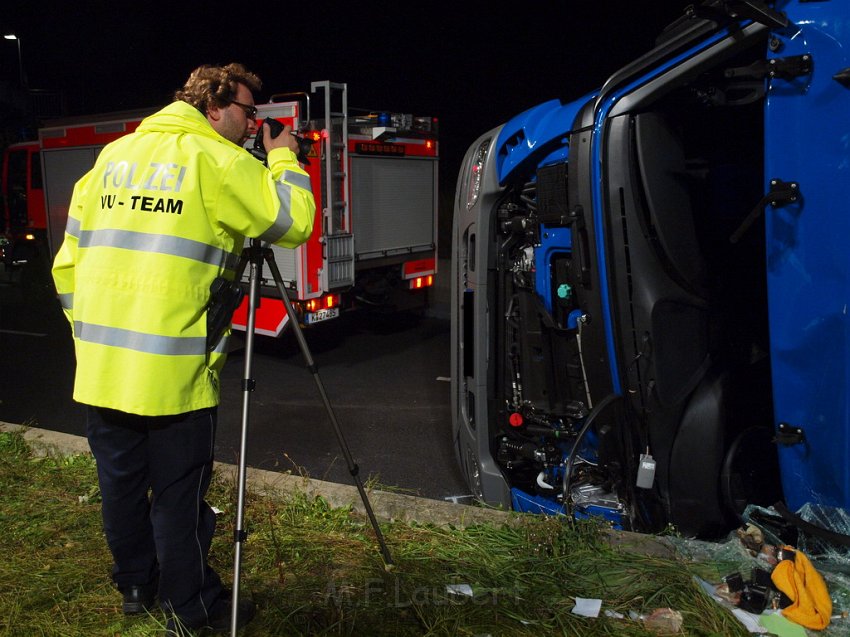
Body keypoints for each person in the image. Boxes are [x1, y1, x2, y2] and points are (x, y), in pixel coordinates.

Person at [51, 63, 316, 634]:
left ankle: (136, 586)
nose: (254, 127)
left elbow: (67, 264)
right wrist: (285, 158)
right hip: (174, 373)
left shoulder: (110, 159)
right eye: (249, 113)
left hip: (101, 368)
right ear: (215, 106)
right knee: (177, 495)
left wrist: (90, 333)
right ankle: (190, 608)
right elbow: (293, 223)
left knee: (119, 486)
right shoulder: (216, 162)